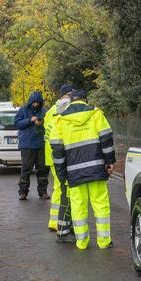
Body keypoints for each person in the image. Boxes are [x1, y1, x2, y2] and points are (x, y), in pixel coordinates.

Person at [49, 88, 115, 250]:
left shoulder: (61, 120)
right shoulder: (96, 114)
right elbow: (106, 139)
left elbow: (57, 150)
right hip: (96, 169)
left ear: (71, 101)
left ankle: (82, 242)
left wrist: (62, 174)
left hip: (74, 172)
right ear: (86, 100)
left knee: (78, 206)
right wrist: (109, 162)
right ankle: (104, 241)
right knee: (100, 204)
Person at [44, 84, 74, 233]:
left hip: (53, 155)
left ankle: (55, 220)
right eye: (69, 94)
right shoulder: (59, 111)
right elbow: (56, 137)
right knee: (61, 189)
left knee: (58, 187)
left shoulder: (51, 111)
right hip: (57, 155)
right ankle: (57, 222)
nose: (71, 97)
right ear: (62, 96)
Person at [14, 91, 49, 200]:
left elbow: (49, 123)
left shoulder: (44, 111)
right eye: (34, 102)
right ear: (30, 102)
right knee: (26, 169)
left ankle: (43, 192)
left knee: (43, 169)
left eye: (38, 103)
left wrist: (41, 123)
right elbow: (17, 123)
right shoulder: (23, 110)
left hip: (41, 144)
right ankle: (23, 192)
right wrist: (30, 120)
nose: (36, 105)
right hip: (27, 144)